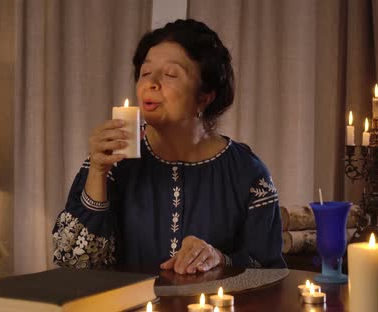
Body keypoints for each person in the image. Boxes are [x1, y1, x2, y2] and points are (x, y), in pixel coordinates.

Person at [52, 19, 285, 274]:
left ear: (205, 97)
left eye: (171, 75)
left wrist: (219, 259)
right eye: (145, 73)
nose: (151, 83)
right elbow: (74, 263)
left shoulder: (247, 173)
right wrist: (97, 171)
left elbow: (269, 271)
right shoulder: (112, 162)